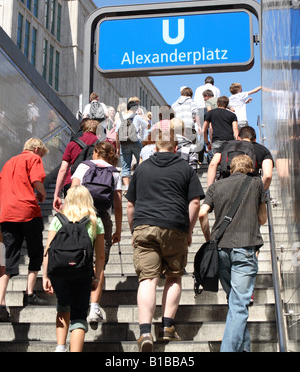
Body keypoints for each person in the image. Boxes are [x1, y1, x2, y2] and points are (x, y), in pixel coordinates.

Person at [126, 132, 205, 352]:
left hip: (144, 226)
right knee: (173, 276)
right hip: (175, 226)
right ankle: (167, 327)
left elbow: (130, 205)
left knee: (148, 280)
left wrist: (134, 230)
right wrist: (188, 231)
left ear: (154, 147)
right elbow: (196, 203)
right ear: (176, 147)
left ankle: (144, 333)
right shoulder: (185, 169)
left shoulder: (140, 169)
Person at [198, 154, 267, 352]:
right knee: (239, 306)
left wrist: (208, 239)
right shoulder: (256, 184)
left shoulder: (215, 186)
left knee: (235, 303)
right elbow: (262, 219)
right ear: (251, 168)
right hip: (245, 249)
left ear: (230, 168)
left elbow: (202, 213)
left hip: (220, 251)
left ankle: (244, 348)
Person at [43, 185, 105, 352]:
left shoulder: (58, 219)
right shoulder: (95, 221)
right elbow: (100, 256)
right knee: (78, 314)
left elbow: (47, 250)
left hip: (59, 272)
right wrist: (97, 278)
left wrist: (45, 276)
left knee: (63, 306)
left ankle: (60, 347)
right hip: (82, 272)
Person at [71, 141, 122, 323]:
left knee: (77, 257)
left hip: (80, 216)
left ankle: (78, 301)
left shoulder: (84, 166)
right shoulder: (115, 172)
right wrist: (118, 229)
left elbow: (73, 190)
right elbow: (117, 204)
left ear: (95, 152)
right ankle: (94, 308)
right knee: (99, 263)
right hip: (102, 218)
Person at [0, 138, 48, 320]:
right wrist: (42, 193)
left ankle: (1, 302)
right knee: (36, 252)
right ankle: (29, 294)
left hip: (6, 213)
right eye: (41, 154)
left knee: (8, 257)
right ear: (36, 149)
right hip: (27, 211)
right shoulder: (33, 158)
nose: (40, 157)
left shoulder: (8, 163)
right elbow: (37, 180)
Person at [207, 125, 274, 190]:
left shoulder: (226, 145)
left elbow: (213, 164)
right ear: (255, 139)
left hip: (225, 187)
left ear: (238, 137)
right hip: (249, 190)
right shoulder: (262, 149)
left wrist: (210, 192)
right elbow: (268, 176)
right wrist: (259, 194)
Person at [53, 119, 99, 211]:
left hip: (71, 183)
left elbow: (63, 169)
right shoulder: (100, 144)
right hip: (92, 184)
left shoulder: (72, 144)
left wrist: (56, 194)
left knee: (71, 214)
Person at [115, 99, 149, 191]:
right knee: (141, 162)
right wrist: (144, 117)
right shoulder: (137, 117)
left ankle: (126, 187)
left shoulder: (120, 118)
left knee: (126, 165)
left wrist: (118, 148)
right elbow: (147, 126)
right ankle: (139, 184)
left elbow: (117, 134)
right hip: (135, 141)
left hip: (124, 143)